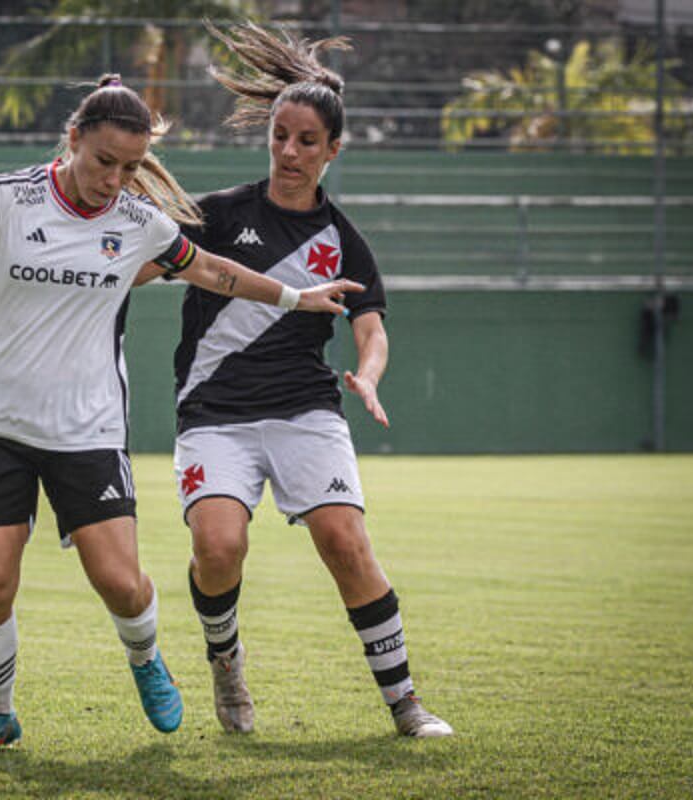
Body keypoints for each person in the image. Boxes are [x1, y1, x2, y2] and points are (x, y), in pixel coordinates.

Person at [0, 74, 359, 755]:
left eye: (129, 168)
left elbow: (212, 270)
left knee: (119, 583)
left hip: (88, 431)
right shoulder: (9, 197)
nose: (113, 179)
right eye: (102, 161)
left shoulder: (139, 225)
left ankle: (145, 658)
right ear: (73, 140)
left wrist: (294, 296)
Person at [135, 22, 454, 738]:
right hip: (214, 413)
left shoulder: (345, 242)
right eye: (280, 135)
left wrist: (368, 379)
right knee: (218, 548)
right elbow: (144, 268)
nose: (288, 151)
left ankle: (405, 703)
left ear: (333, 150)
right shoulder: (218, 214)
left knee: (345, 543)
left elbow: (370, 329)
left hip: (305, 409)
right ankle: (226, 664)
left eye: (307, 141)